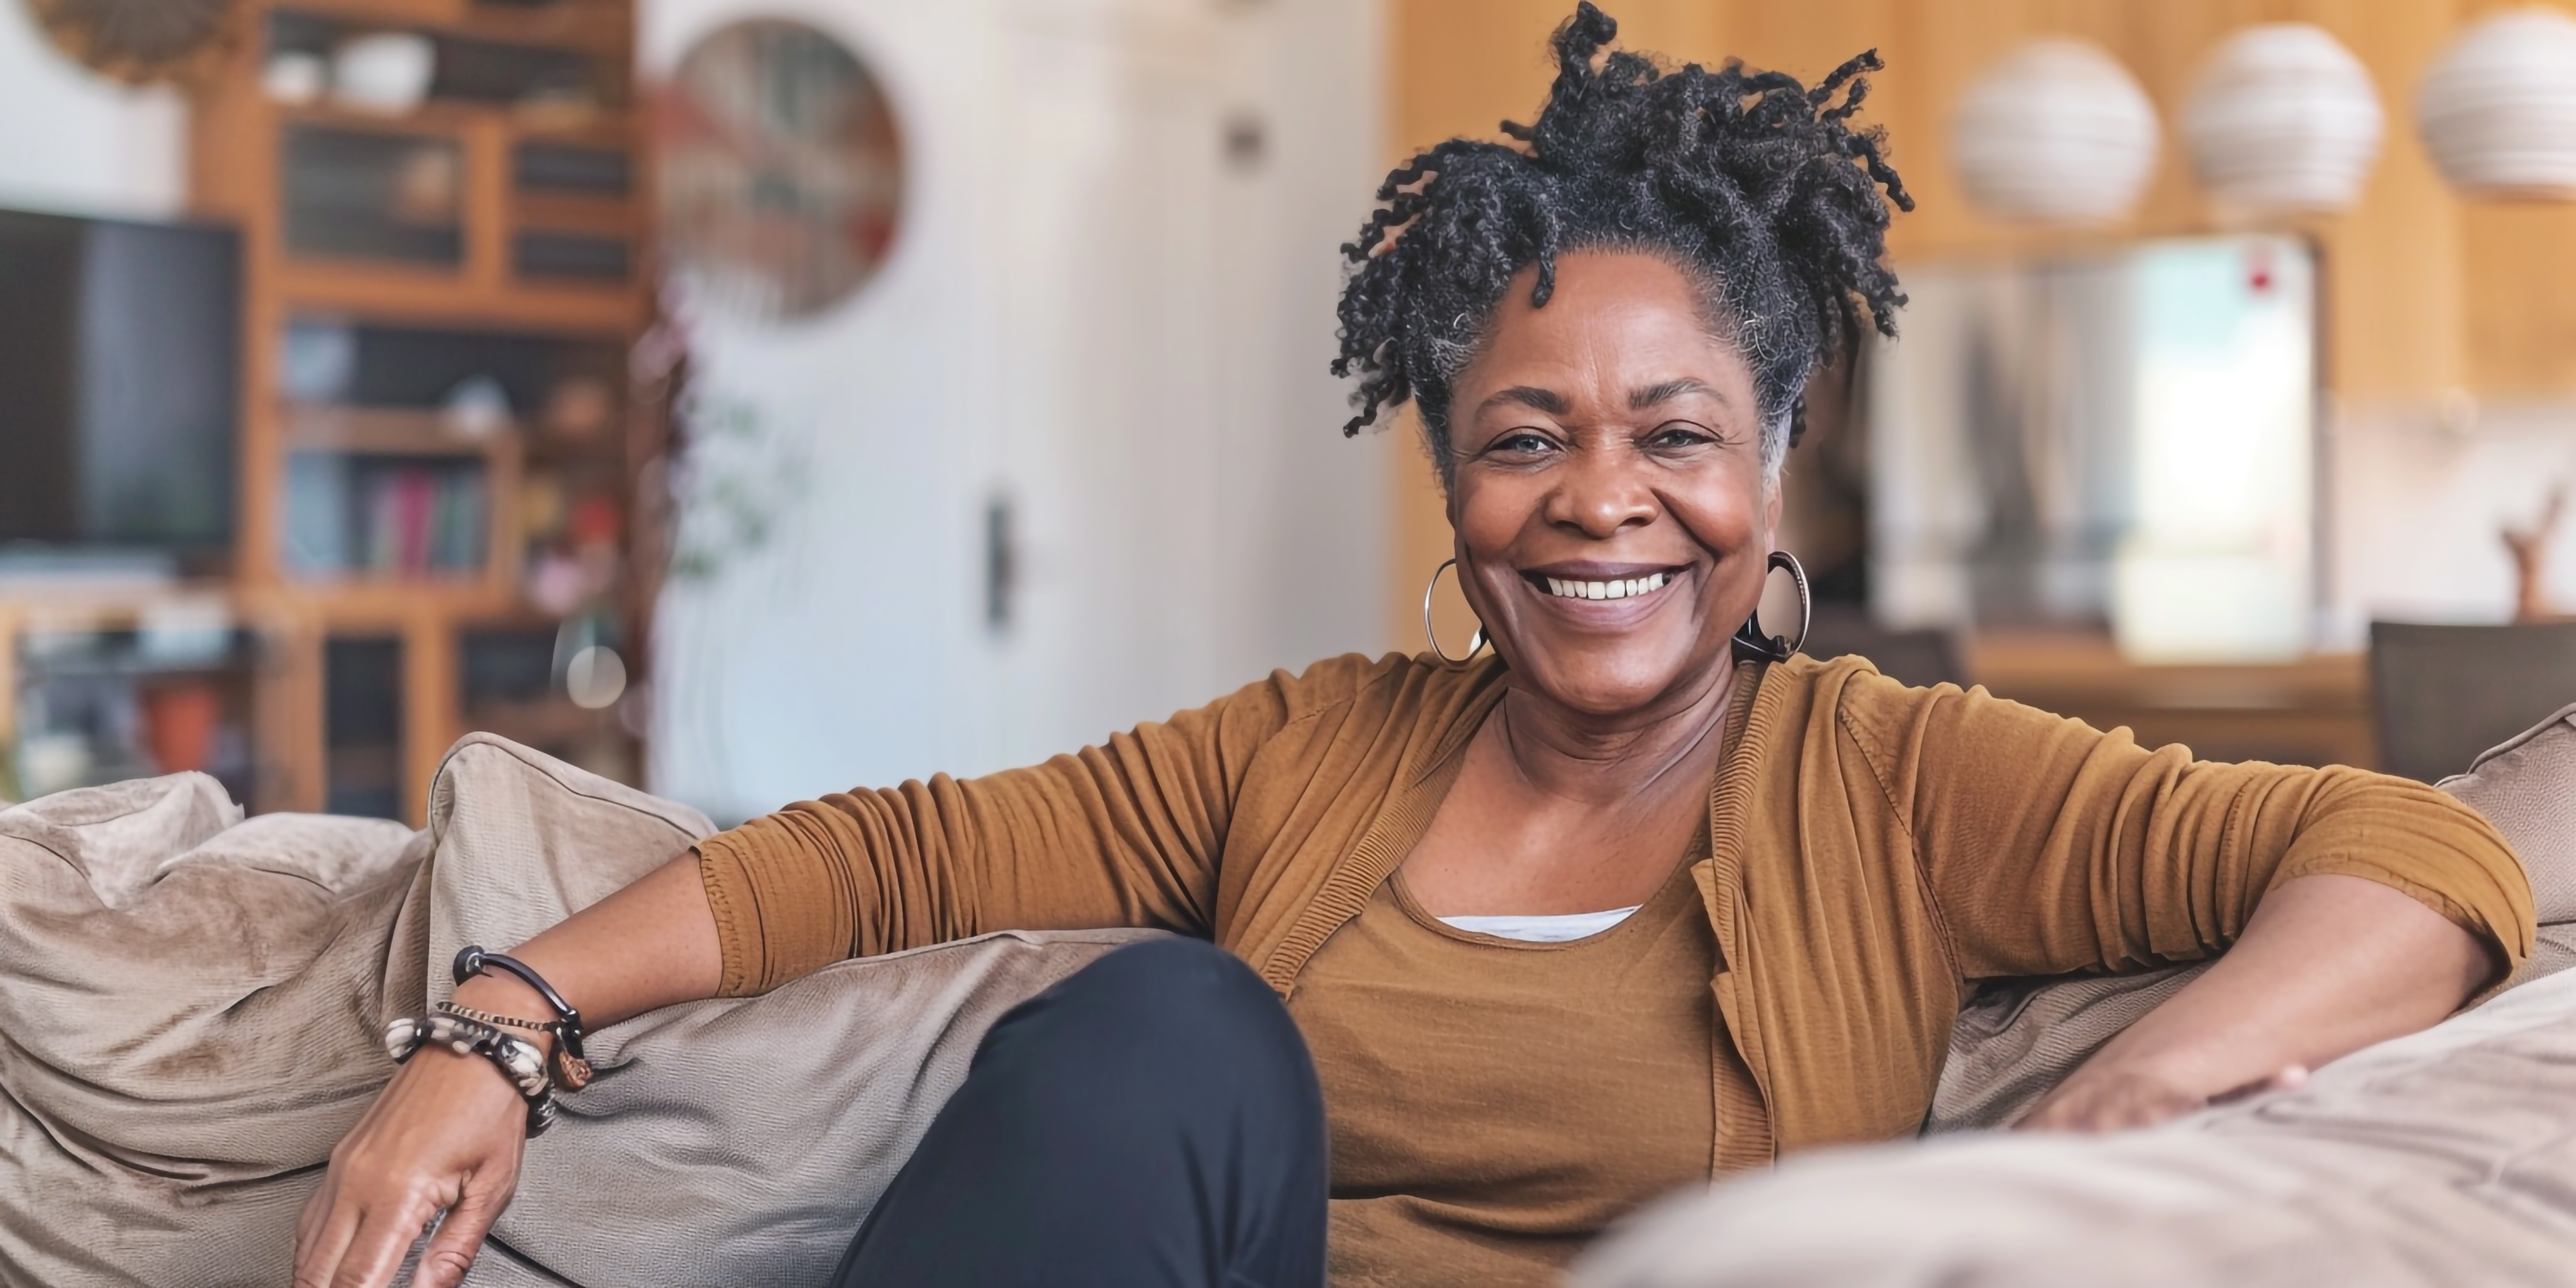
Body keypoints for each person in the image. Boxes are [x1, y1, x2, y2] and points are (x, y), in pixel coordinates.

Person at [293, 8, 2535, 1287]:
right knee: (1170, 1024)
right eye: (1520, 437)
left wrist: (2153, 1088)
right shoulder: (1314, 747)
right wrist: (496, 1018)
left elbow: (2407, 856)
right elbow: (885, 855)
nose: (1597, 499)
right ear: (1451, 483)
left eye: (1674, 433)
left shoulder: (1898, 773)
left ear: (1778, 461)